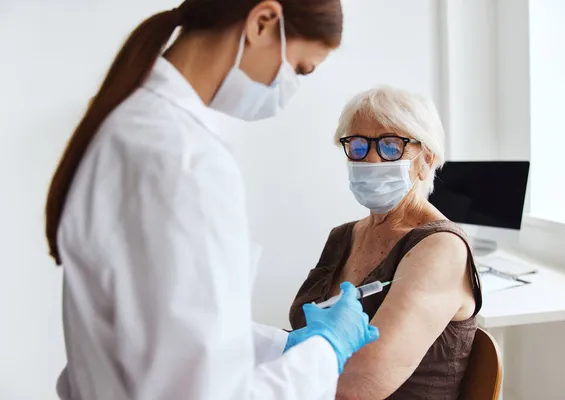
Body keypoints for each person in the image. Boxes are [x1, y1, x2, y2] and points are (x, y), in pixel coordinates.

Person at [46, 1, 379, 399]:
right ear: (263, 21)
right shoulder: (183, 157)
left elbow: (160, 327)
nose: (288, 91)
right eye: (299, 69)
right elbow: (203, 390)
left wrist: (283, 345)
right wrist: (326, 351)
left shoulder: (135, 126)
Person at [289, 87, 482, 400]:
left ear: (427, 159)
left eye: (392, 145)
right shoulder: (343, 236)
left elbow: (359, 387)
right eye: (358, 145)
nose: (372, 159)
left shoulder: (440, 248)